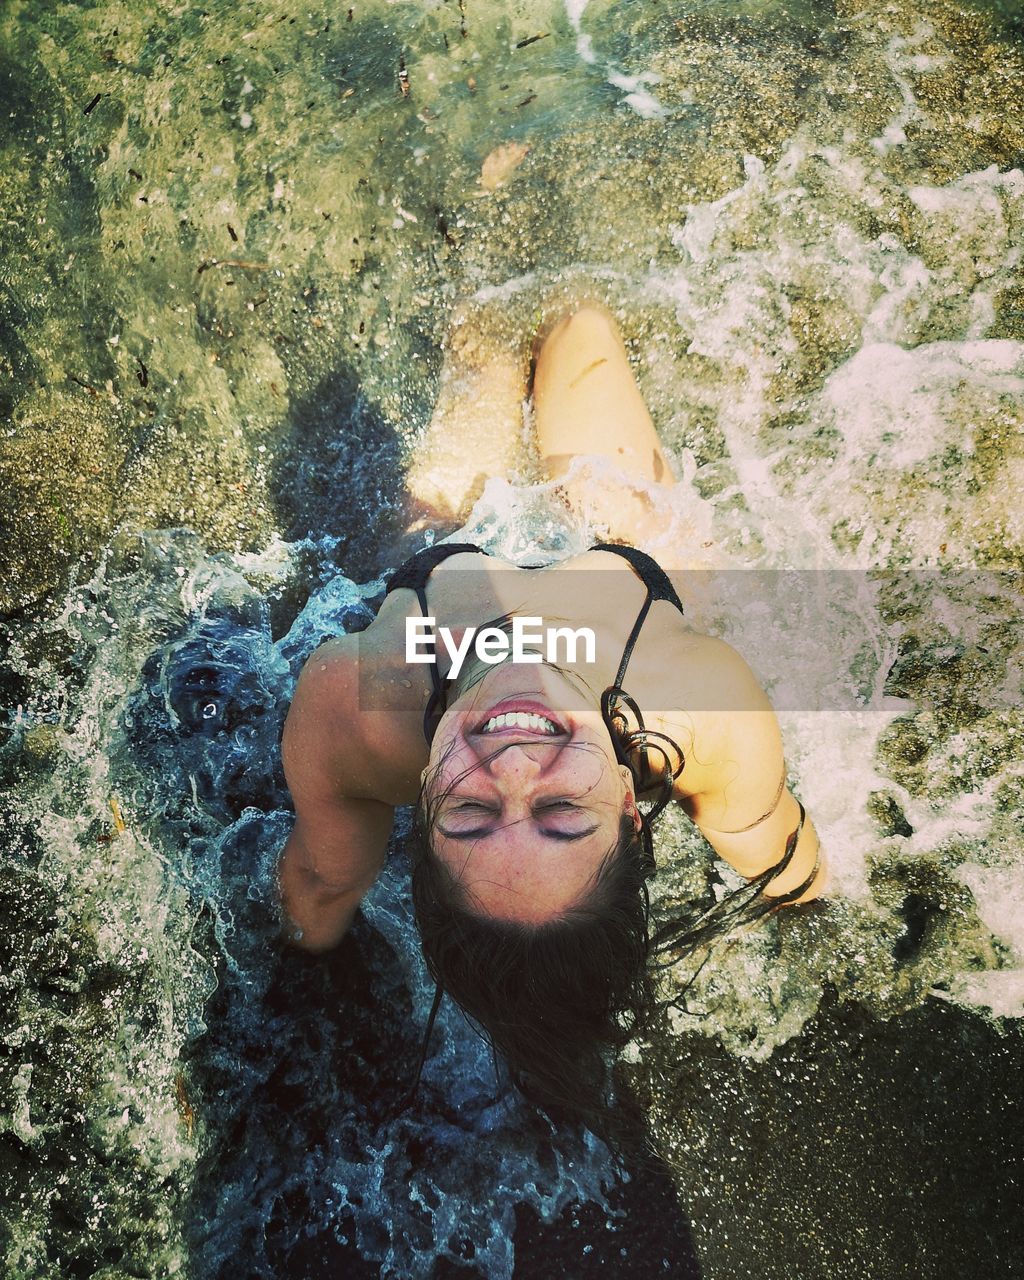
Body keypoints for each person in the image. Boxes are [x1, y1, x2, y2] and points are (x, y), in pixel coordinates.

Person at [278, 305, 825, 1127]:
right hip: (616, 542)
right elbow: (778, 850)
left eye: (470, 811)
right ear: (633, 819)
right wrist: (821, 916)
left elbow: (323, 881)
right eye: (561, 811)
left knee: (488, 333)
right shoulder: (702, 712)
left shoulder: (361, 711)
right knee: (580, 324)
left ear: (421, 806)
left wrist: (295, 971)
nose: (516, 767)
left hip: (455, 539)